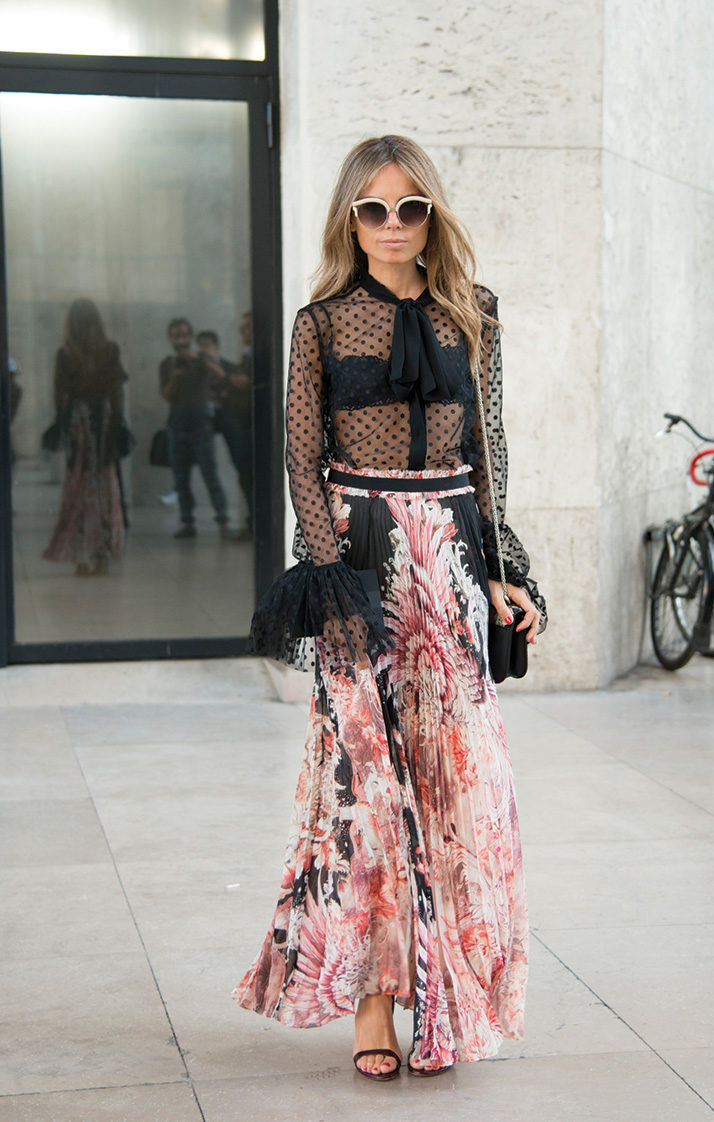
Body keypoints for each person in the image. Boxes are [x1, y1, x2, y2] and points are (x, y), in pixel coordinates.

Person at [233, 136, 547, 1081]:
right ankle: (374, 1006)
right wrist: (333, 585)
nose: (395, 226)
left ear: (434, 216)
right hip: (359, 557)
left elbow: (490, 457)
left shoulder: (473, 315)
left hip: (450, 558)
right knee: (366, 794)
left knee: (458, 788)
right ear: (350, 219)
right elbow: (302, 467)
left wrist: (502, 570)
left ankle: (446, 994)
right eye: (376, 209)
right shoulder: (320, 324)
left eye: (413, 208)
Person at [42, 298, 126, 575]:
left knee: (77, 485)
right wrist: (117, 422)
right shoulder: (110, 350)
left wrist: (61, 422)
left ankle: (80, 555)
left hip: (78, 422)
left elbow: (60, 394)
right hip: (102, 420)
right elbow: (117, 393)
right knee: (103, 484)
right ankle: (101, 553)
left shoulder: (65, 353)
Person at [158, 318, 231, 538]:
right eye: (175, 335)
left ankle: (223, 523)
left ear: (190, 337)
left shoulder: (200, 358)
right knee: (180, 479)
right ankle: (187, 522)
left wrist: (198, 359)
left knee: (210, 475)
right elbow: (166, 396)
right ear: (170, 339)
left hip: (201, 426)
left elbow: (221, 375)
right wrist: (175, 377)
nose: (180, 340)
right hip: (177, 426)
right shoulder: (168, 364)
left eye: (183, 335)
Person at [196, 328, 253, 540]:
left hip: (233, 422)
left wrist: (216, 370)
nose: (204, 350)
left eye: (207, 345)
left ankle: (249, 523)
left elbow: (241, 384)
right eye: (200, 345)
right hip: (204, 423)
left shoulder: (228, 366)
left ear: (216, 347)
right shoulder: (196, 369)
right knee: (209, 468)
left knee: (243, 468)